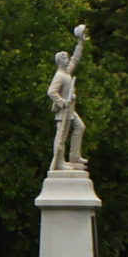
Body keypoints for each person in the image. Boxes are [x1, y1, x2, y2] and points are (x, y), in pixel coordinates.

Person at [47, 23, 89, 167]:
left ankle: (75, 157)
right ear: (59, 61)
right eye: (64, 58)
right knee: (61, 136)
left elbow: (75, 59)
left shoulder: (67, 73)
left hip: (70, 109)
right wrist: (62, 102)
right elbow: (51, 91)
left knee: (80, 127)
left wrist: (80, 43)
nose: (67, 59)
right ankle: (59, 162)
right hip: (63, 110)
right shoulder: (59, 75)